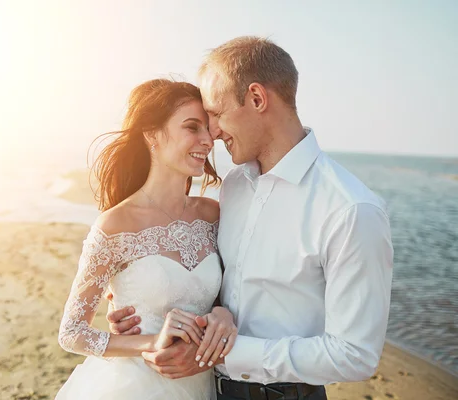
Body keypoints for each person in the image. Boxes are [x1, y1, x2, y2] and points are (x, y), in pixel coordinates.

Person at [107, 37, 394, 400]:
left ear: (257, 99)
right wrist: (142, 308)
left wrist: (226, 351)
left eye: (216, 114)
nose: (211, 133)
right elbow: (219, 281)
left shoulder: (350, 209)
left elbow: (355, 355)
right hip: (208, 390)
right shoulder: (234, 186)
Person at [55, 78, 235, 399]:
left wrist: (222, 313)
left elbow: (227, 293)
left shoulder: (213, 214)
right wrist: (150, 342)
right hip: (134, 386)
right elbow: (72, 333)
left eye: (208, 130)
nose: (208, 140)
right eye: (193, 128)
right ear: (152, 134)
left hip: (203, 383)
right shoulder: (115, 225)